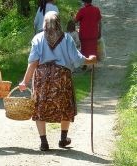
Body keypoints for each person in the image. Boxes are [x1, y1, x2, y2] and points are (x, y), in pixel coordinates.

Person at [19, 11, 97, 151]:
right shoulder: (66, 38)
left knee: (40, 106)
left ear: (45, 23)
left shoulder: (38, 38)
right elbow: (77, 59)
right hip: (62, 76)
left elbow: (33, 62)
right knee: (65, 106)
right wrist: (90, 60)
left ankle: (44, 142)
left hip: (42, 77)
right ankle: (63, 139)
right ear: (59, 22)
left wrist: (25, 81)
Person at [75, 0, 101, 70]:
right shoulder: (96, 9)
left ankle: (85, 65)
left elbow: (75, 20)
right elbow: (99, 22)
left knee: (84, 50)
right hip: (94, 34)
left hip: (84, 35)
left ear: (84, 2)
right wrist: (99, 32)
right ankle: (92, 65)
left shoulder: (82, 10)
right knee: (93, 50)